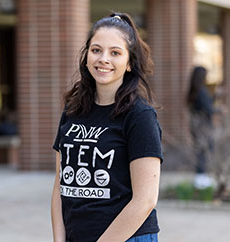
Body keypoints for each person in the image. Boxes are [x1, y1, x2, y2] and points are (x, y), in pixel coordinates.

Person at [51, 12, 163, 242]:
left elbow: (145, 200)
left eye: (115, 53)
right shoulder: (73, 110)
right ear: (86, 56)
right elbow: (59, 186)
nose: (103, 58)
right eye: (96, 50)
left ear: (130, 63)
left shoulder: (139, 116)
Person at [186, 66, 218, 189]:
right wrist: (219, 110)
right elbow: (208, 109)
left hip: (195, 126)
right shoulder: (202, 91)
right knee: (204, 151)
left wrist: (215, 96)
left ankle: (200, 177)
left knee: (200, 151)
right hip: (203, 127)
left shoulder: (194, 90)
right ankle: (201, 179)